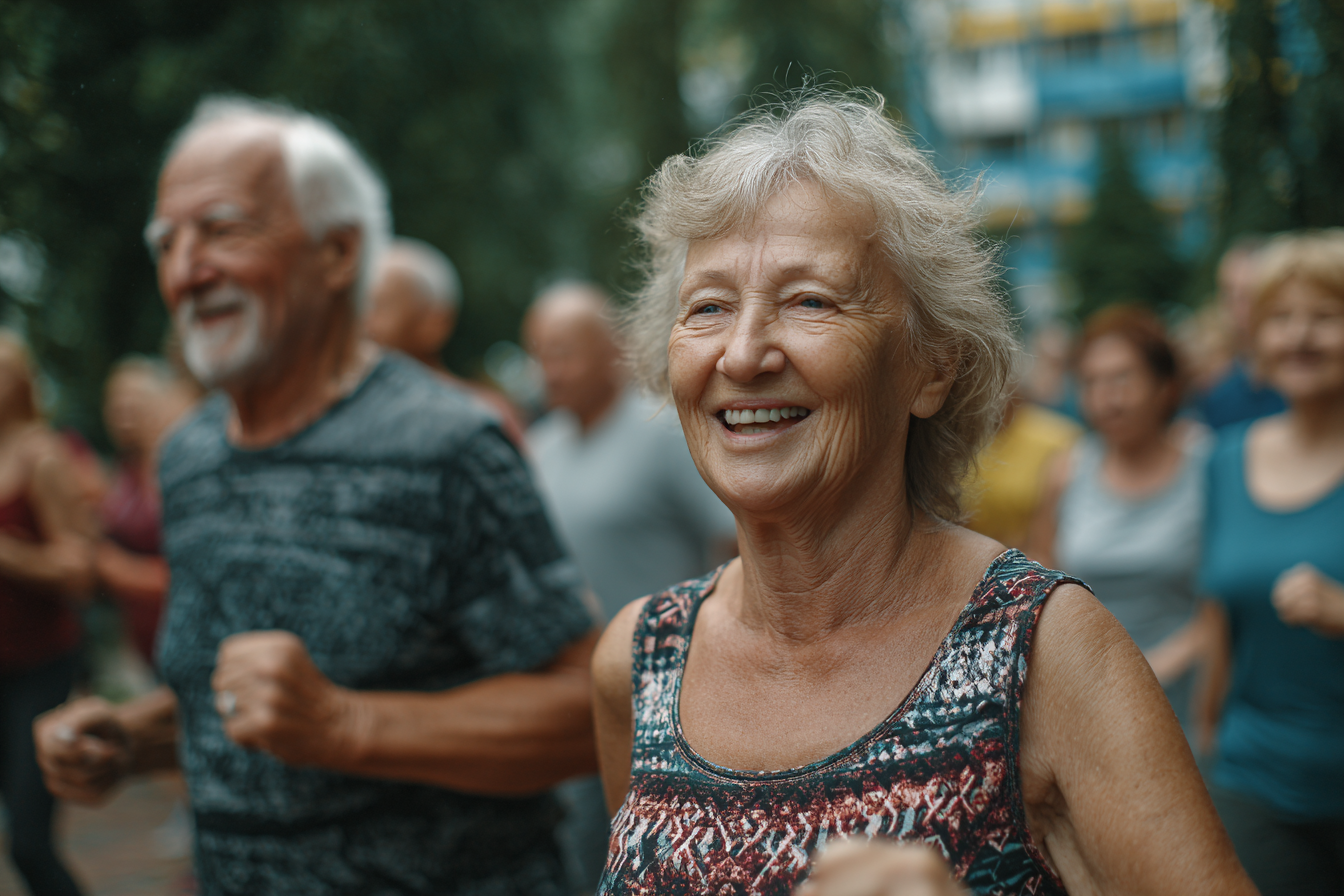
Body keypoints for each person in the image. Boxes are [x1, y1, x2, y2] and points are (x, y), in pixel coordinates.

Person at [589, 89, 1255, 896]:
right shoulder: (640, 659)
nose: (742, 353)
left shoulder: (1044, 654)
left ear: (931, 367)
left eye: (810, 300)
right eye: (708, 307)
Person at [34, 96, 599, 896]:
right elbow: (244, 704)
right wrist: (129, 740)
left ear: (337, 253)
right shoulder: (190, 455)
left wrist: (349, 726)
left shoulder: (446, 444)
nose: (186, 271)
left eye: (223, 231)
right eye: (168, 242)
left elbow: (588, 713)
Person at [524, 282, 737, 893]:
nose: (549, 371)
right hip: (577, 697)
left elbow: (736, 542)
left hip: (674, 699)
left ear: (613, 349)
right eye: (539, 354)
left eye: (563, 352)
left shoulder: (665, 434)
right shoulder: (542, 450)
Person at [1199, 229, 1344, 896]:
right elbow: (1218, 613)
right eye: (1281, 319)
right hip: (1254, 777)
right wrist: (1204, 734)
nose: (1300, 337)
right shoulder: (1226, 460)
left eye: (1324, 316)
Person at [1029, 306, 1215, 742]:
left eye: (1122, 379)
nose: (1107, 398)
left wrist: (1162, 663)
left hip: (1189, 695)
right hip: (1089, 692)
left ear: (1165, 386)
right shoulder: (1067, 471)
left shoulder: (1208, 466)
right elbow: (1044, 576)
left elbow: (1227, 595)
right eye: (1091, 383)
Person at [0, 332, 94, 896]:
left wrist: (10, 555)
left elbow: (79, 570)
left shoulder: (44, 457)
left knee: (31, 844)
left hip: (42, 664)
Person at [365, 237, 528, 447]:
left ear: (436, 323)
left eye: (379, 307)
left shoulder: (483, 415)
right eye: (359, 309)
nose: (364, 324)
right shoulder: (341, 413)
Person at [96, 356, 197, 665]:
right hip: (142, 637)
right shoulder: (124, 469)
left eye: (134, 400)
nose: (123, 410)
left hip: (187, 635)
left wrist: (117, 569)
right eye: (116, 401)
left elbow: (195, 574)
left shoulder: (181, 467)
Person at [962, 360, 1080, 551]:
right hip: (978, 557)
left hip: (1038, 559)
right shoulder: (962, 442)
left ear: (1014, 388)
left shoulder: (1059, 437)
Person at [1198, 237, 1286, 428]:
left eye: (1248, 294)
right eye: (1229, 292)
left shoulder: (1302, 384)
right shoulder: (1217, 395)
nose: (1236, 306)